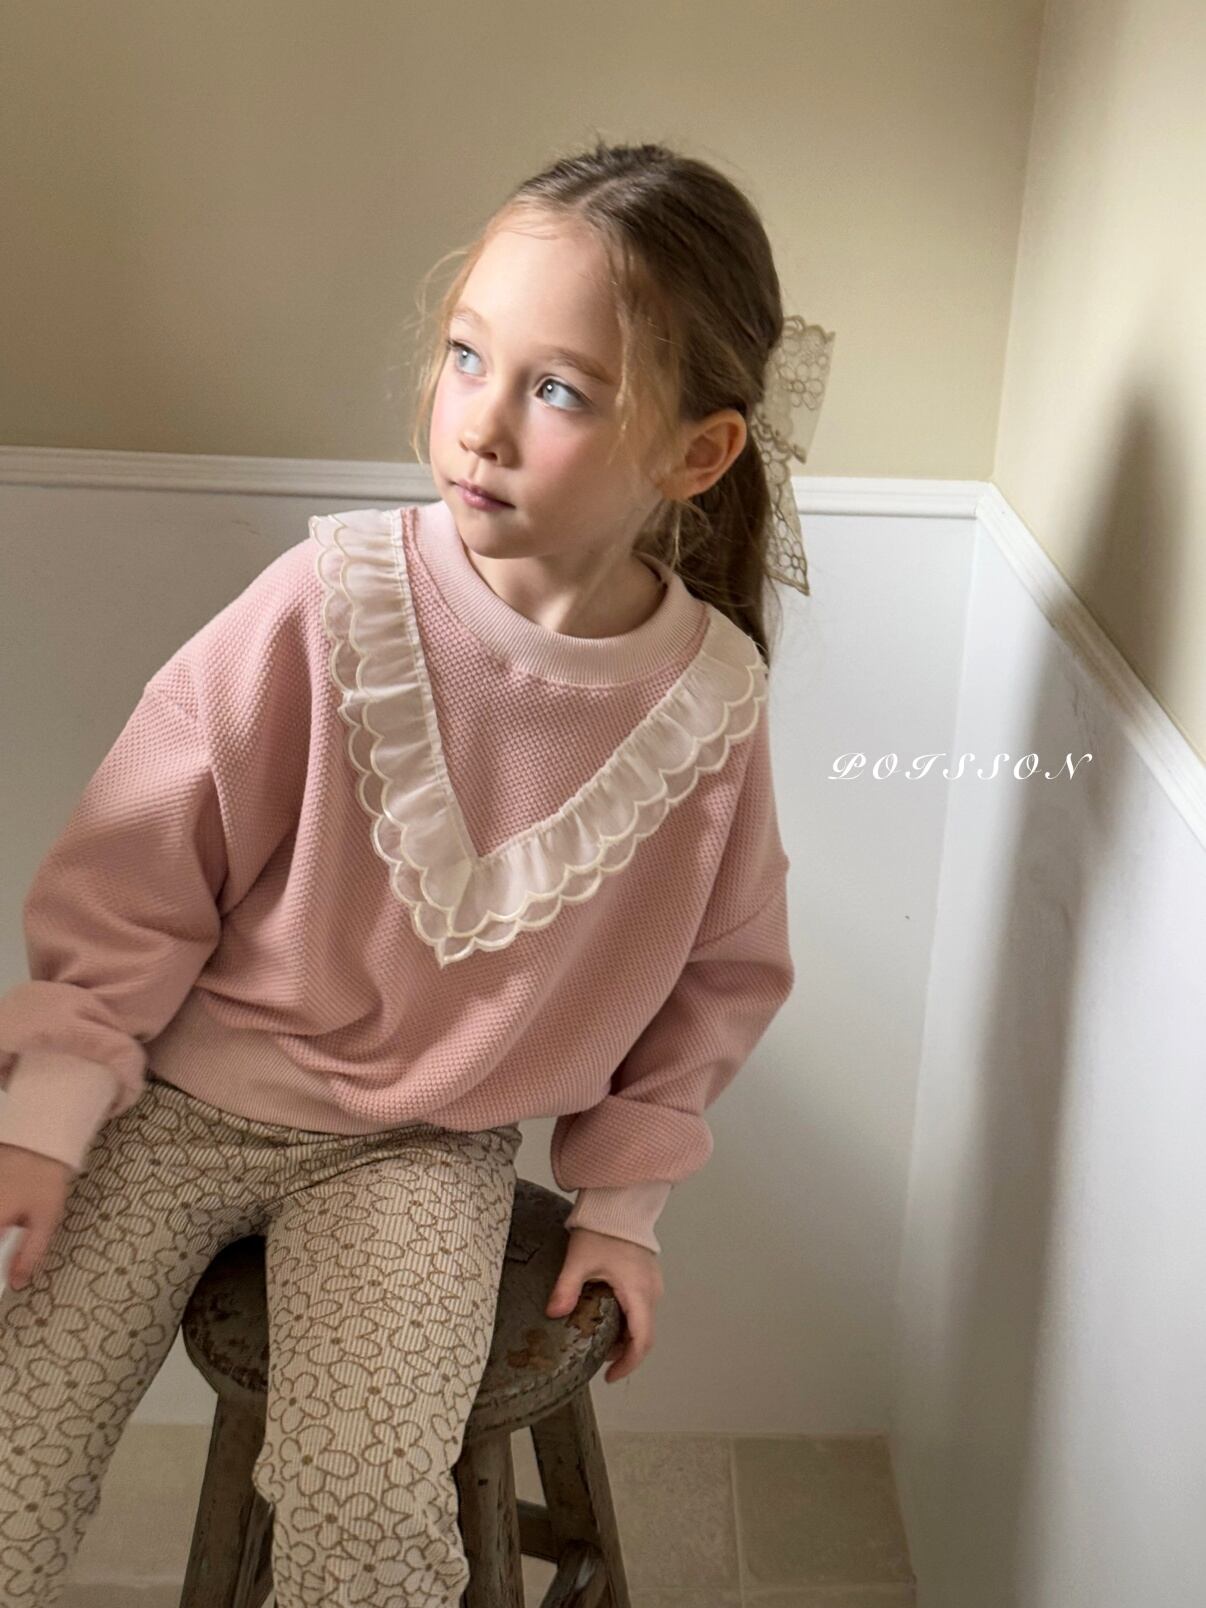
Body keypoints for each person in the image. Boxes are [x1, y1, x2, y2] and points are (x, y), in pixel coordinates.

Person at [0, 139, 821, 1606]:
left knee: (364, 1510)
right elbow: (142, 856)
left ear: (695, 455)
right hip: (170, 1100)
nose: (479, 425)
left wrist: (623, 1208)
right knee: (12, 1441)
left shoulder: (707, 703)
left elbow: (722, 974)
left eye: (559, 390)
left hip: (423, 1151)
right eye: (465, 356)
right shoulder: (333, 600)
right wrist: (49, 1109)